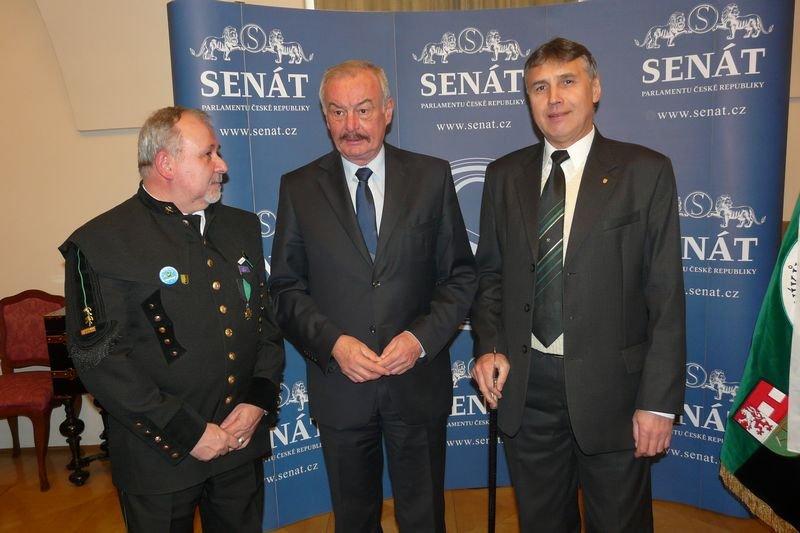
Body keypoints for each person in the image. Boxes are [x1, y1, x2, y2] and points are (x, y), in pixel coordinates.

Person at [471, 38, 686, 532]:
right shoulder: (504, 175)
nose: (554, 99)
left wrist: (657, 402)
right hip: (527, 390)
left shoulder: (645, 171)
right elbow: (490, 278)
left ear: (595, 89)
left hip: (615, 394)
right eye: (539, 87)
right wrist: (489, 346)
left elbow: (665, 296)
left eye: (567, 82)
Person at [269, 60, 476, 532]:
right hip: (341, 388)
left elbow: (460, 277)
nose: (352, 125)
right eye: (338, 112)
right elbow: (285, 288)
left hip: (416, 384)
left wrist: (420, 340)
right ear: (325, 118)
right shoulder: (298, 188)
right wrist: (334, 344)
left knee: (424, 518)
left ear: (388, 111)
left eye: (363, 110)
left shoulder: (431, 177)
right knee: (354, 519)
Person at [60, 106, 284, 532]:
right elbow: (102, 362)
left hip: (239, 444)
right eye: (208, 154)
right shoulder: (100, 243)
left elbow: (265, 327)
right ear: (166, 164)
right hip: (158, 457)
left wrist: (257, 401)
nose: (223, 165)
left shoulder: (240, 228)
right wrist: (188, 432)